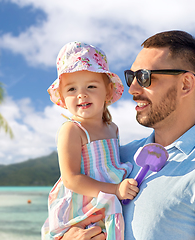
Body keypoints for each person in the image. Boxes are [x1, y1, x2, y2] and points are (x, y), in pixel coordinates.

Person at [60, 31, 195, 240]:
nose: (132, 89)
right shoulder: (118, 157)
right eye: (131, 77)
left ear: (186, 84)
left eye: (144, 77)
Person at [41, 41, 139, 240]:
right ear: (62, 96)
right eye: (71, 89)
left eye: (91, 86)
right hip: (80, 208)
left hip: (106, 202)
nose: (81, 94)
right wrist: (115, 190)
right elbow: (71, 179)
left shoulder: (113, 129)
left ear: (108, 91)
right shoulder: (72, 130)